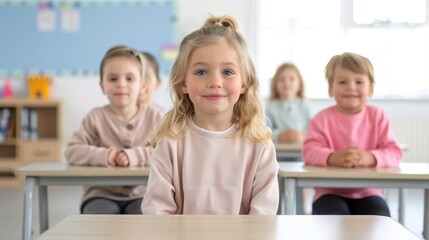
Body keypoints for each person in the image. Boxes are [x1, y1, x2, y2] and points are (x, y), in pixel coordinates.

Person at [141, 15, 279, 215]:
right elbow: (157, 211)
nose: (215, 82)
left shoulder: (260, 145)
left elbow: (263, 216)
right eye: (201, 72)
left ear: (244, 84)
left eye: (228, 72)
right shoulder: (170, 142)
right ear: (183, 84)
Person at [64, 45, 163, 214]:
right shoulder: (95, 118)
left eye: (130, 79)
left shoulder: (155, 117)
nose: (121, 84)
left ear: (143, 86)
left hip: (143, 194)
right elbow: (72, 151)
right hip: (101, 194)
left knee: (144, 222)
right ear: (102, 85)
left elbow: (166, 152)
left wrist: (132, 155)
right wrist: (105, 155)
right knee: (99, 219)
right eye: (113, 79)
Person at [302, 52, 402, 216]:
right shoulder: (321, 119)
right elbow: (309, 151)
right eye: (342, 82)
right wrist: (334, 157)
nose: (351, 87)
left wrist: (370, 157)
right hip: (329, 192)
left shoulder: (378, 117)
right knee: (335, 216)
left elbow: (394, 152)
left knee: (379, 215)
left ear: (370, 89)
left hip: (369, 192)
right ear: (330, 89)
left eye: (359, 82)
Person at [265, 63, 311, 145]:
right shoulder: (270, 107)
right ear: (275, 85)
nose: (286, 82)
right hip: (278, 153)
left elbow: (315, 130)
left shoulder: (305, 106)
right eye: (282, 79)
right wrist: (280, 136)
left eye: (292, 79)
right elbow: (264, 131)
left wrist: (302, 136)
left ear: (299, 85)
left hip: (301, 152)